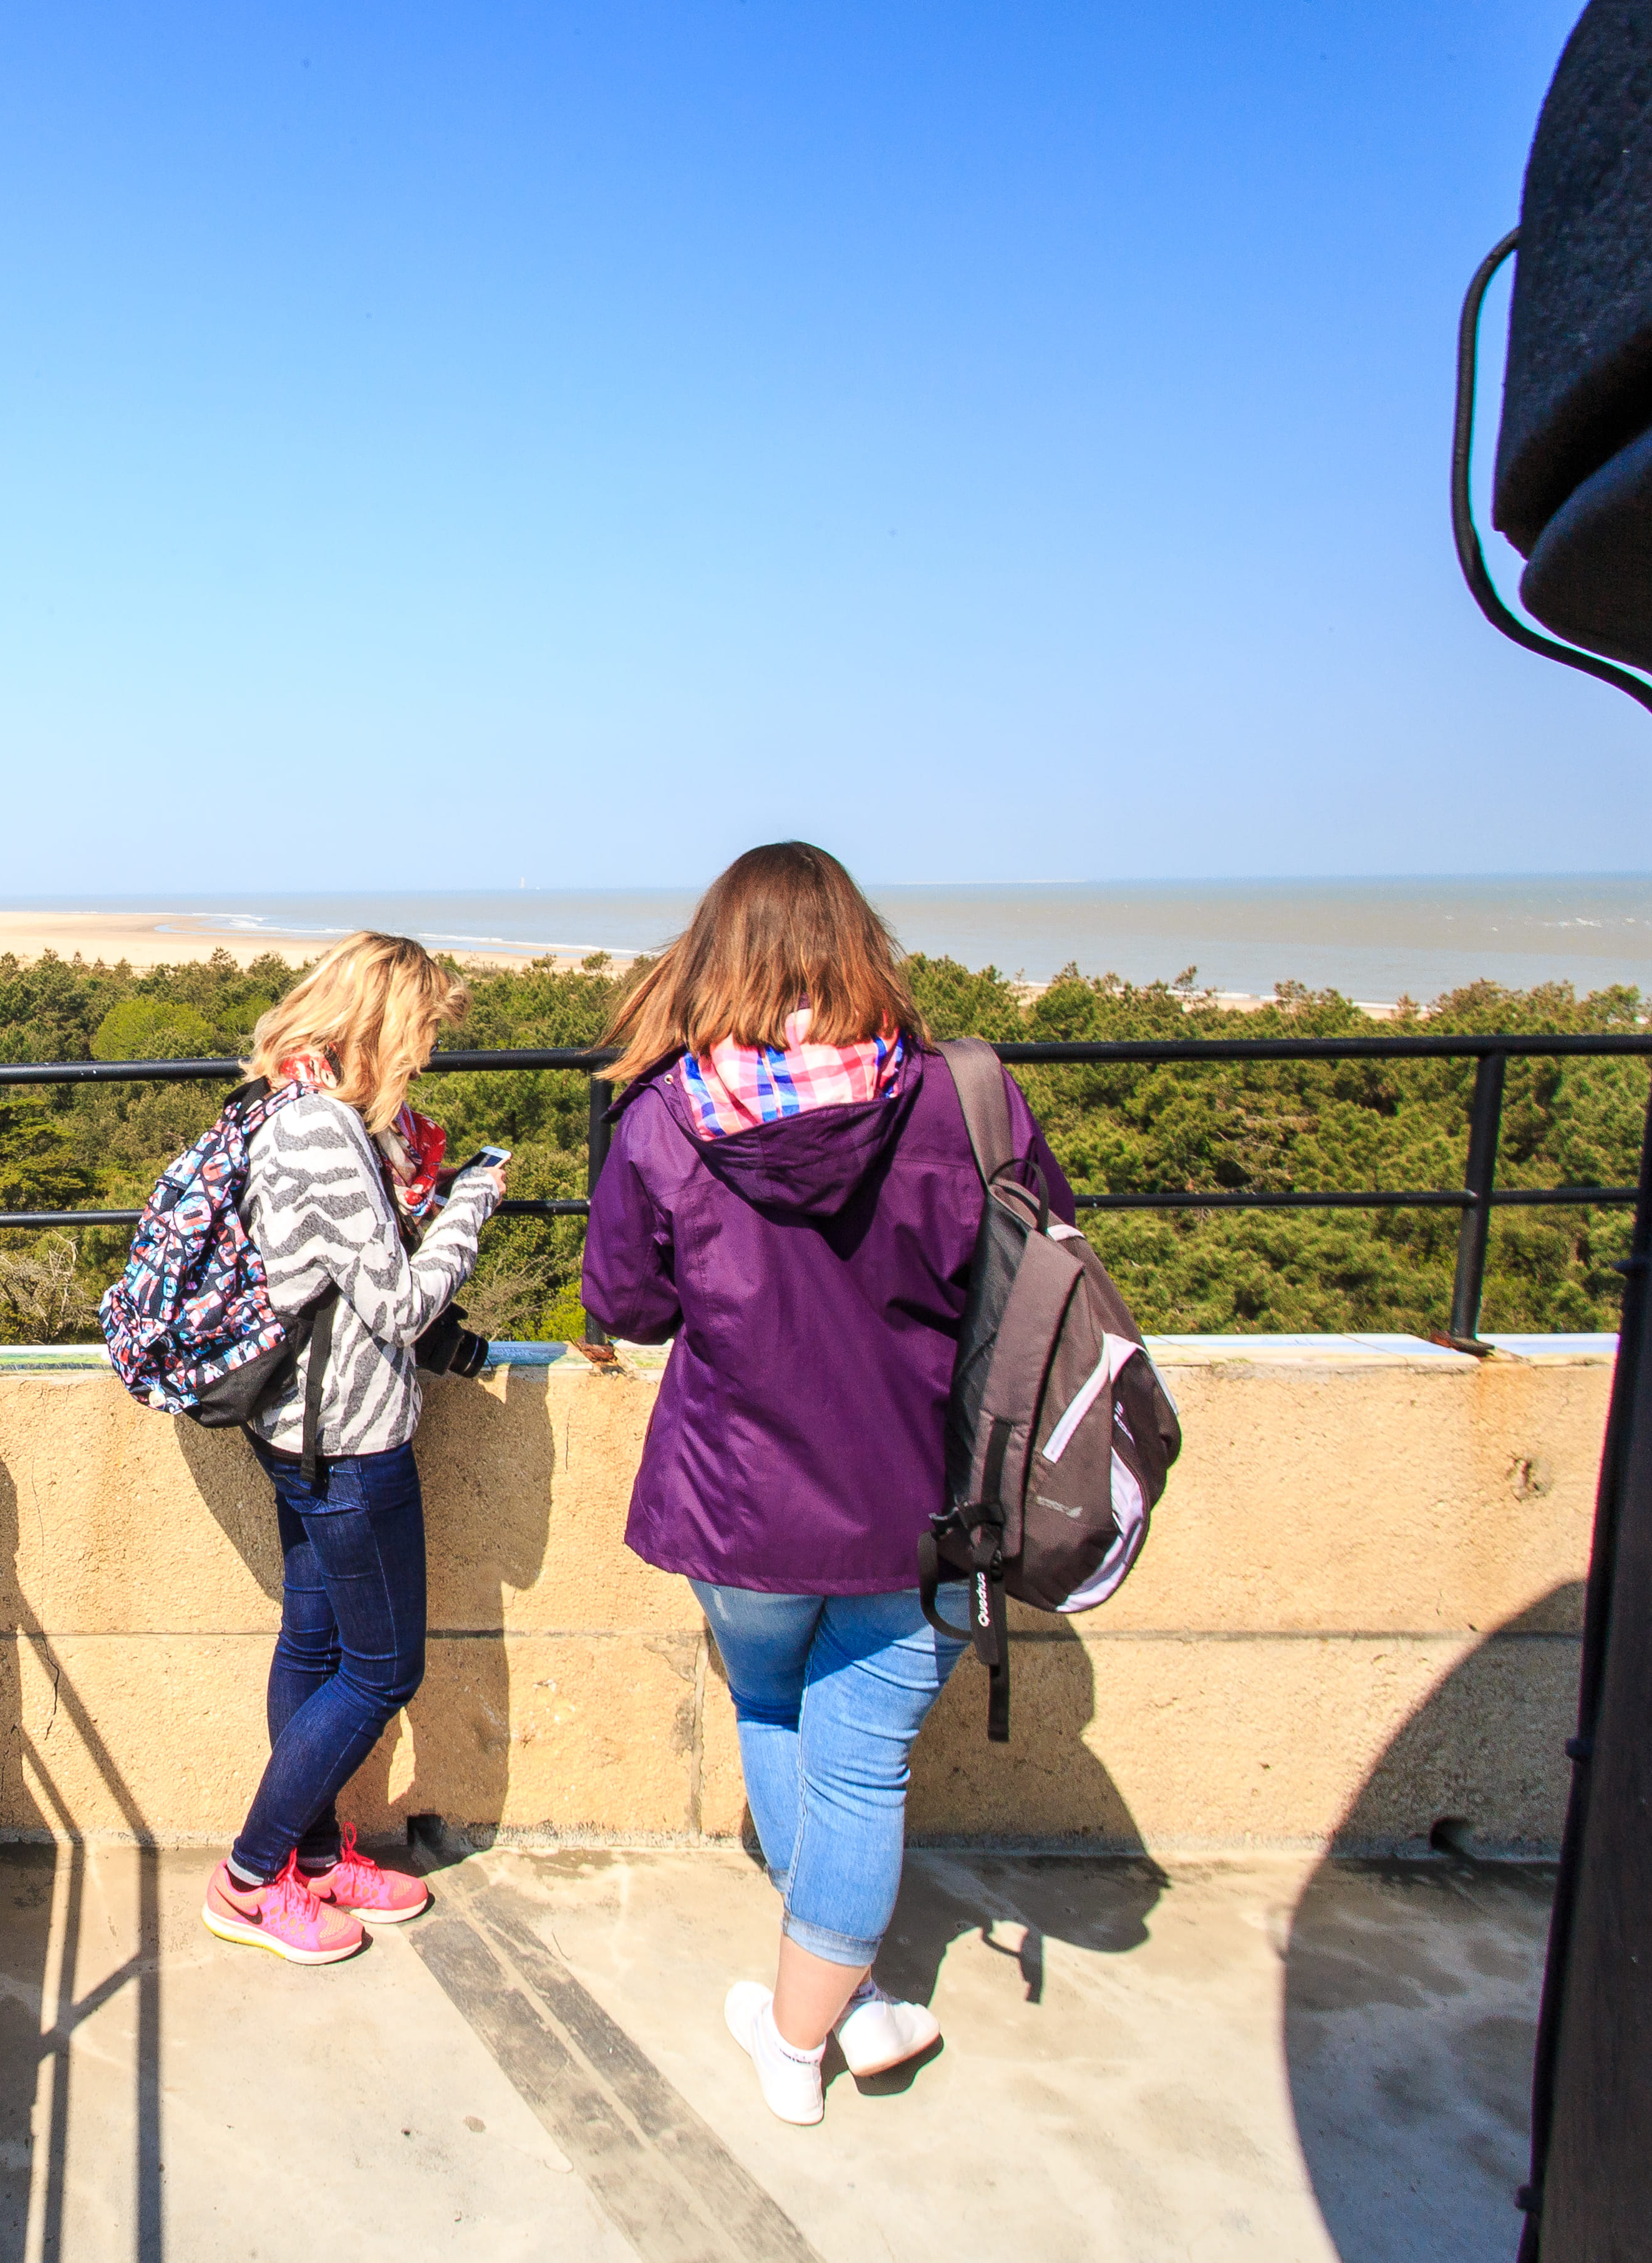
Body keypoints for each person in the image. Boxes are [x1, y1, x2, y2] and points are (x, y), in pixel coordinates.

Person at [579, 842, 1073, 2120]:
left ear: (712, 961)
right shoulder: (967, 1099)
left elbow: (625, 1305)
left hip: (735, 1500)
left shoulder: (665, 1117)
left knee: (772, 1708)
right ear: (859, 948)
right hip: (928, 1501)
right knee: (863, 1769)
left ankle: (796, 2043)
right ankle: (842, 2007)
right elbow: (1037, 1268)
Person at [199, 931, 506, 1967]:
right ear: (378, 1025)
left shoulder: (288, 1105)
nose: (423, 1057)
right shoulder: (322, 1131)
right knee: (383, 1669)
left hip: (302, 1428)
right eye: (418, 1036)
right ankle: (249, 1877)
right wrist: (474, 1200)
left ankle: (317, 1856)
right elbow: (403, 1302)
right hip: (347, 1440)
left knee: (316, 1647)